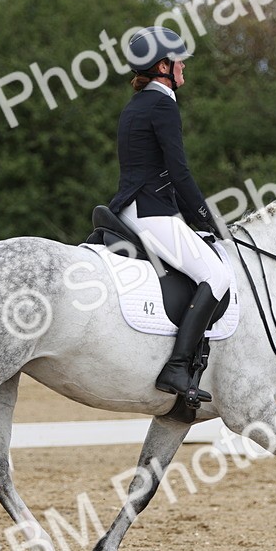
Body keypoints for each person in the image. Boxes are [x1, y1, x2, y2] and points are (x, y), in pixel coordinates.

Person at [107, 26, 231, 403]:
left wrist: (194, 219)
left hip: (129, 209)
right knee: (217, 275)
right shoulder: (162, 103)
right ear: (163, 66)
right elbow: (179, 172)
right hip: (152, 212)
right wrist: (208, 220)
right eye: (179, 62)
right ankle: (177, 367)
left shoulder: (137, 103)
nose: (184, 69)